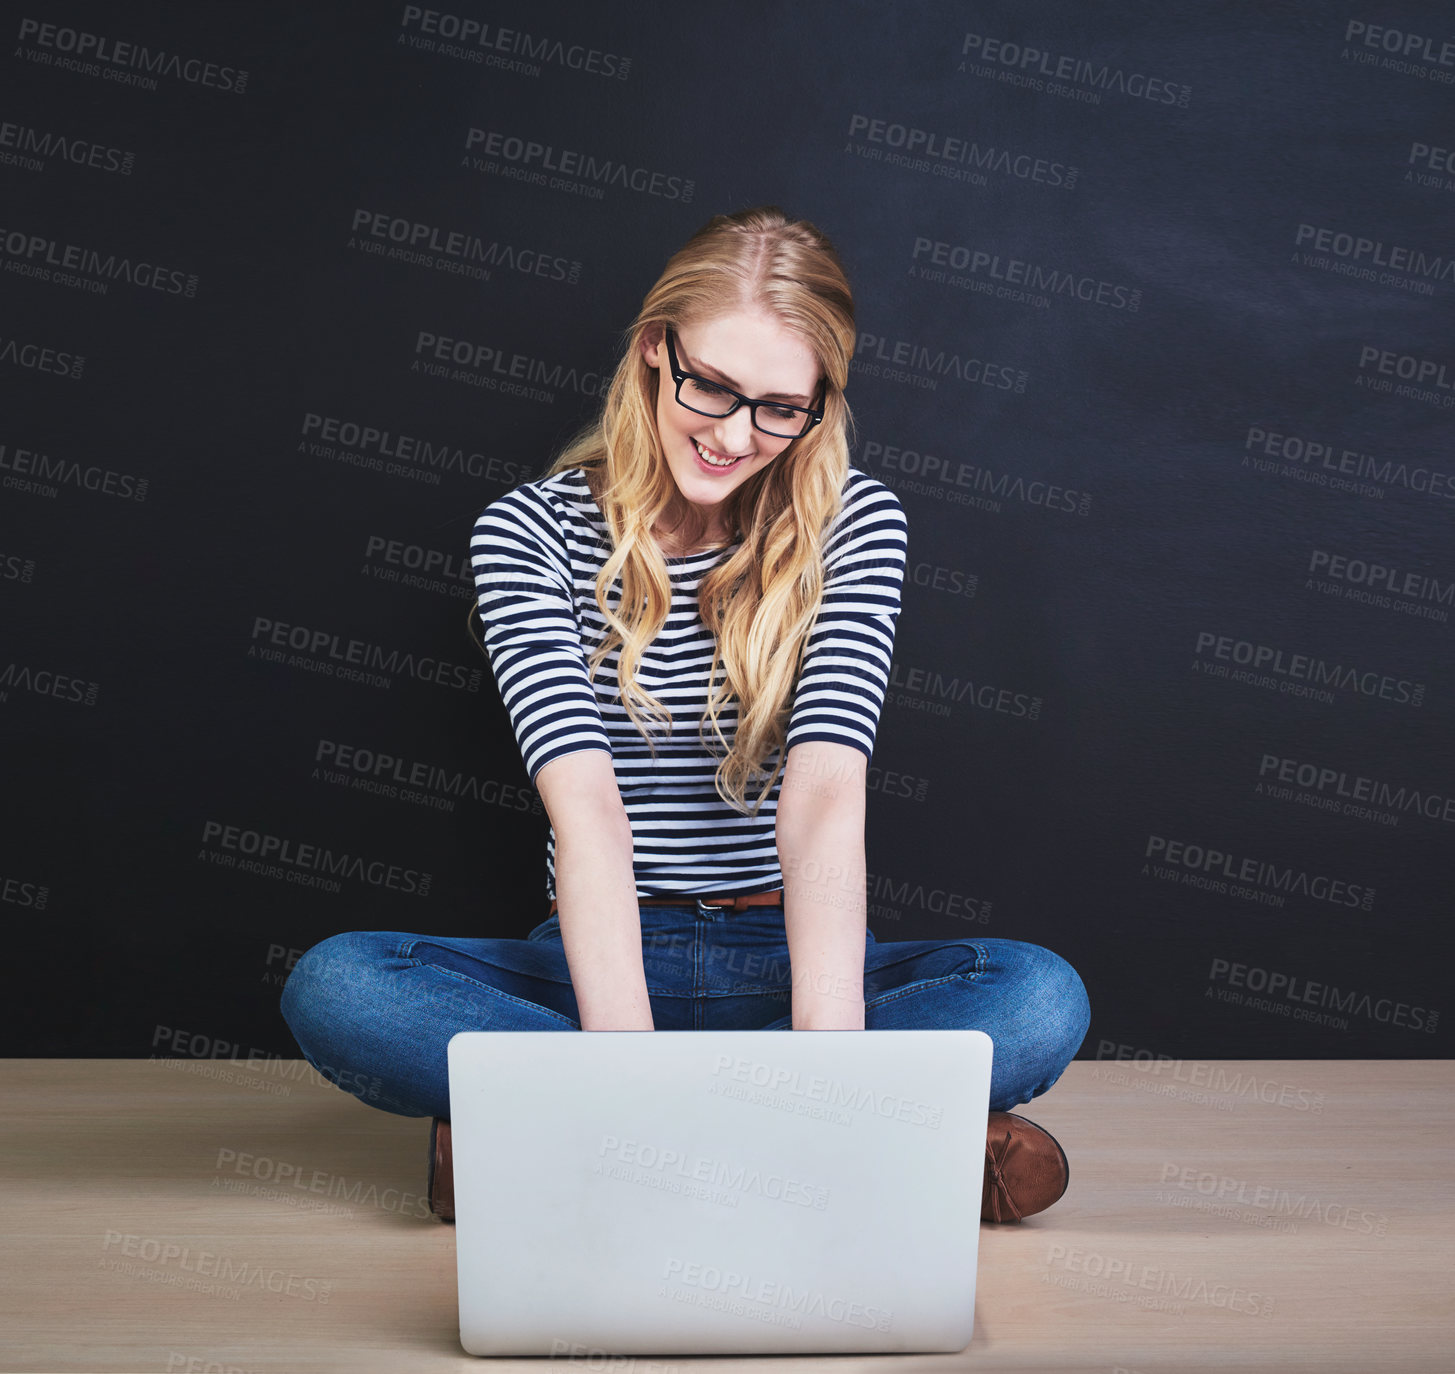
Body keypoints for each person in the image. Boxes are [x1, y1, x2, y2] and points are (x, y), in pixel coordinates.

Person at [280, 205, 1090, 1226]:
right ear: (655, 350)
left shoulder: (855, 522)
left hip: (790, 953)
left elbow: (827, 794)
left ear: (819, 407)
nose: (736, 434)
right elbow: (588, 814)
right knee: (341, 986)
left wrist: (829, 1054)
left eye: (780, 408)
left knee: (1037, 997)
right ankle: (856, 1142)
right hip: (597, 958)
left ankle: (552, 1133)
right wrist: (626, 1064)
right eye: (712, 386)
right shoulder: (528, 532)